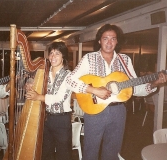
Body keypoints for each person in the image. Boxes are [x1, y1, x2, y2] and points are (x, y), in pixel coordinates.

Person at [65, 24, 167, 160]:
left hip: (118, 112)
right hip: (95, 112)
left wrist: (154, 83)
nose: (109, 42)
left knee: (112, 153)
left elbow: (134, 88)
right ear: (99, 41)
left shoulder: (125, 60)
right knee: (90, 152)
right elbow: (69, 80)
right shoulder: (89, 59)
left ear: (117, 41)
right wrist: (94, 90)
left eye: (113, 39)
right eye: (105, 38)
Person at [25, 42, 73, 160]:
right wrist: (30, 83)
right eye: (51, 53)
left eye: (57, 53)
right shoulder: (44, 72)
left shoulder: (69, 75)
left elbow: (59, 98)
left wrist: (39, 97)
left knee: (63, 154)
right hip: (45, 118)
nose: (53, 56)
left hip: (62, 120)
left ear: (63, 57)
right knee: (46, 153)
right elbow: (32, 82)